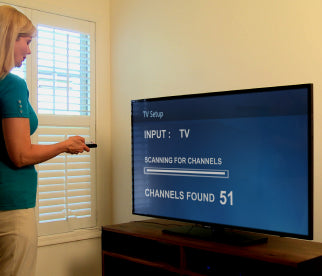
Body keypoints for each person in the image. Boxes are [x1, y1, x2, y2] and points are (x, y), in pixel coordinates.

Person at [0, 5, 90, 276]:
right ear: (8, 38)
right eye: (26, 41)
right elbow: (21, 155)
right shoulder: (11, 84)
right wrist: (64, 145)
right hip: (12, 209)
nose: (29, 50)